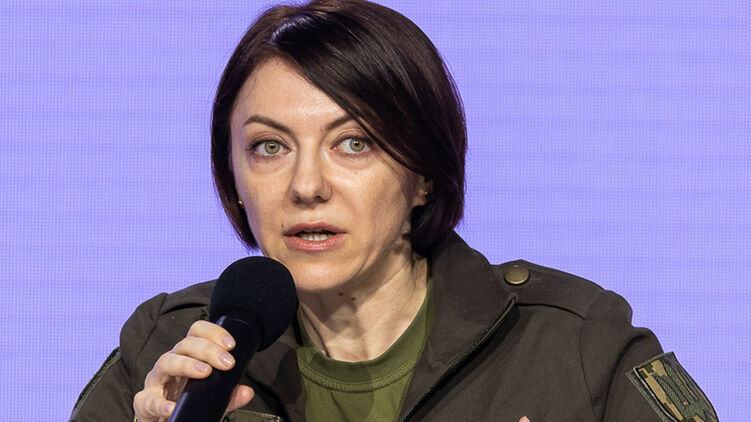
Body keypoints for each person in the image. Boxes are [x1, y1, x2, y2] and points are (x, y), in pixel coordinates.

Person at [70, 1, 717, 421]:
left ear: (423, 175)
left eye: (354, 143)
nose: (305, 185)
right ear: (234, 176)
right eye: (269, 147)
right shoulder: (165, 351)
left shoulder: (576, 346)